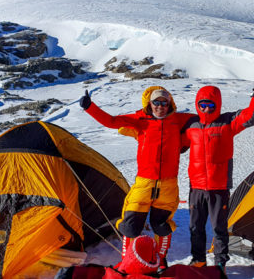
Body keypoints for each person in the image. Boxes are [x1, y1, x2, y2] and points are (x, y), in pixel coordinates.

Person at [79, 86, 194, 272]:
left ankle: (161, 261)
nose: (160, 106)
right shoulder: (140, 120)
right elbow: (112, 121)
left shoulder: (179, 120)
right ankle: (129, 261)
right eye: (156, 102)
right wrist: (89, 107)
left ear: (170, 104)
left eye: (164, 103)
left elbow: (205, 119)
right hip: (144, 182)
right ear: (150, 103)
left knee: (163, 226)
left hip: (168, 185)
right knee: (130, 225)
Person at [182, 72, 254, 272]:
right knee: (195, 228)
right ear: (197, 104)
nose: (206, 109)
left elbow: (250, 117)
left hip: (218, 187)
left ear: (218, 105)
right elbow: (170, 135)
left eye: (211, 105)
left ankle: (220, 263)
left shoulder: (226, 123)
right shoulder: (191, 125)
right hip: (196, 187)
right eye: (203, 105)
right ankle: (198, 260)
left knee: (219, 229)